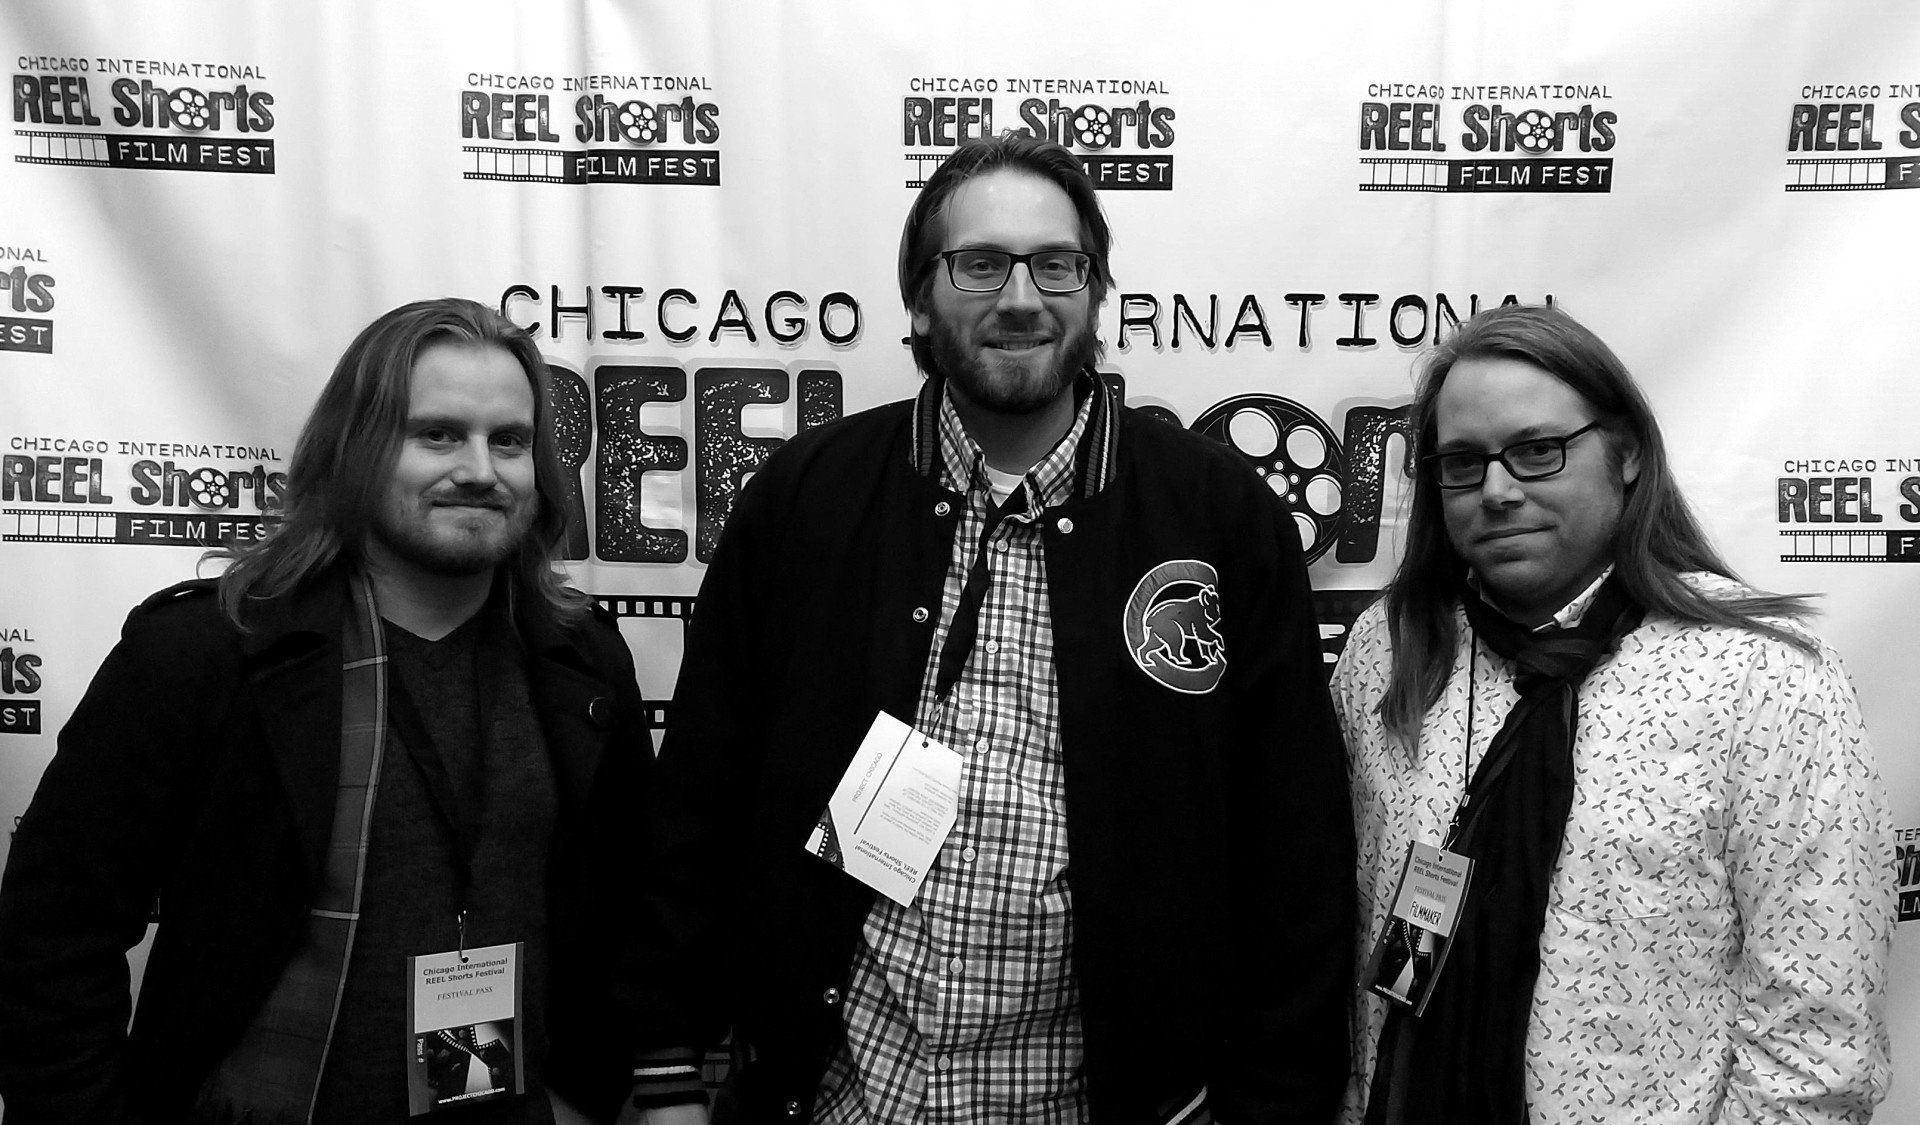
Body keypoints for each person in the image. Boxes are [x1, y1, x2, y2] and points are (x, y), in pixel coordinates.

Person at [631, 133, 1355, 1124]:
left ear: (1096, 293)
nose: (1020, 298)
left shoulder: (1217, 517)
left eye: (1056, 265)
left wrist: (1269, 1102)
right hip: (842, 1100)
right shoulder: (808, 498)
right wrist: (666, 1060)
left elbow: (1294, 840)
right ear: (919, 298)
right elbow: (700, 792)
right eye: (979, 264)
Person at [0, 299, 697, 1124]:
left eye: (509, 440)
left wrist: (587, 1094)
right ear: (356, 448)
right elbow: (52, 931)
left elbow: (633, 905)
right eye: (438, 434)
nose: (480, 469)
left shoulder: (580, 661)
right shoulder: (209, 654)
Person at [1332, 304, 1893, 1125]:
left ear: (1626, 452)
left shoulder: (1764, 677)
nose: (1497, 490)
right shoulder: (1389, 648)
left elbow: (1815, 1041)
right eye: (1463, 462)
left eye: (1537, 450)